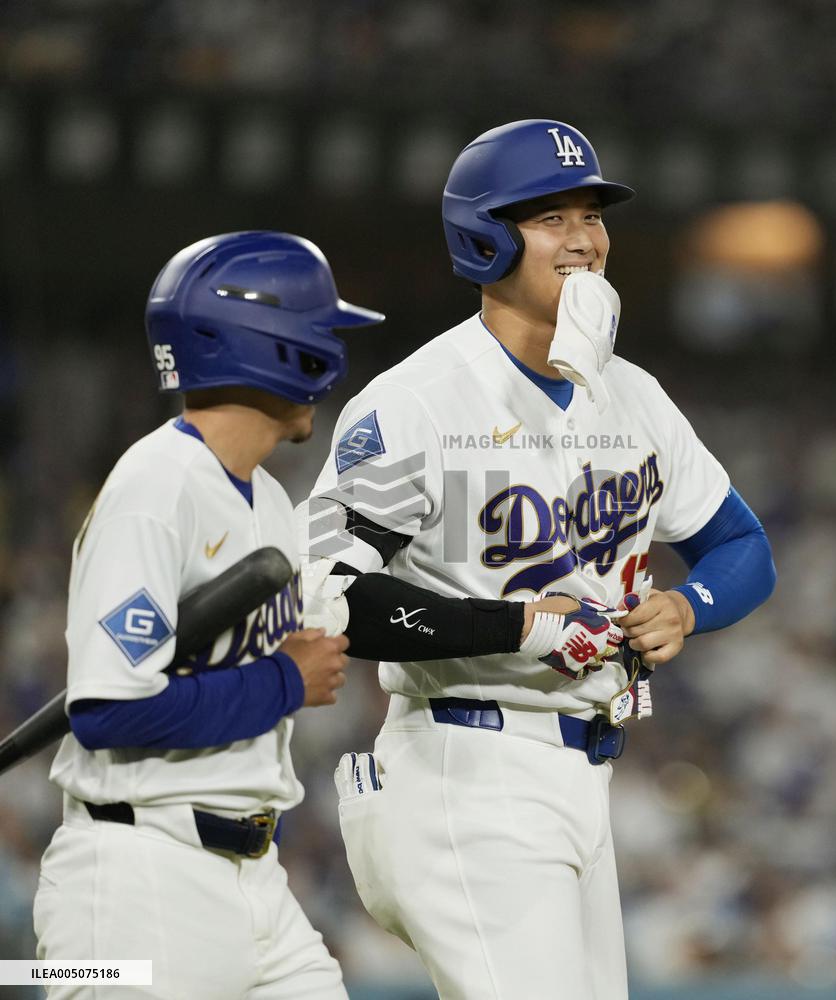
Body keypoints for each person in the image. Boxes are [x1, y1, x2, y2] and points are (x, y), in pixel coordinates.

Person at [300, 119, 777, 999]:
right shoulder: (417, 401)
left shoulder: (633, 396)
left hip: (583, 771)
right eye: (549, 217)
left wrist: (688, 605)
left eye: (591, 214)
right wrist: (514, 624)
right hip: (464, 767)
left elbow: (742, 546)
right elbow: (327, 596)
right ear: (483, 238)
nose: (583, 238)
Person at [33, 231, 383, 1000]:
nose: (332, 353)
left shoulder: (263, 499)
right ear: (275, 349)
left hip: (254, 877)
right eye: (319, 332)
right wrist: (284, 681)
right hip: (133, 885)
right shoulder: (155, 487)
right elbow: (104, 712)